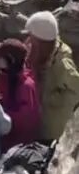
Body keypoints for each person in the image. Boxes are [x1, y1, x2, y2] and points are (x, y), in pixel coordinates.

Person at [25, 11, 79, 143]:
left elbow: (76, 90)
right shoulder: (45, 50)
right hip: (40, 117)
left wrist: (51, 99)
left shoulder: (62, 63)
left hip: (53, 126)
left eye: (32, 37)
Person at [0, 38, 41, 147]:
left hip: (17, 143)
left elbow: (27, 120)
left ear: (11, 60)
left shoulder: (26, 86)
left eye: (0, 58)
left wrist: (1, 113)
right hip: (3, 134)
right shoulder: (4, 76)